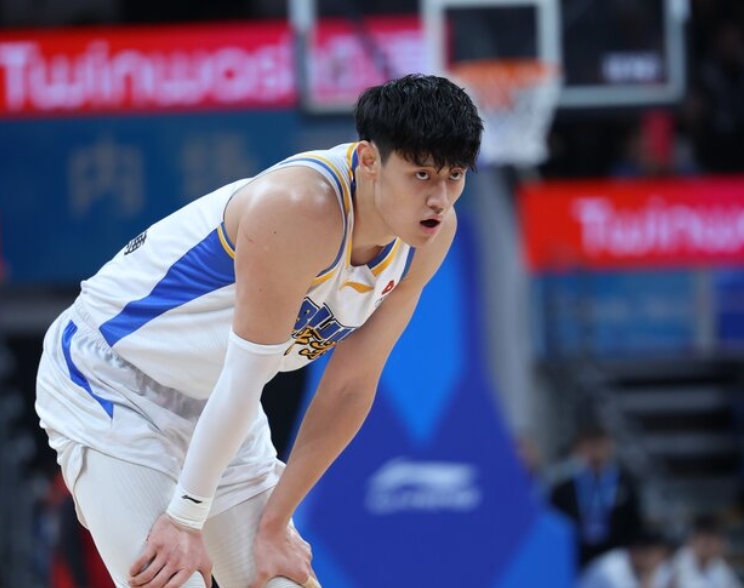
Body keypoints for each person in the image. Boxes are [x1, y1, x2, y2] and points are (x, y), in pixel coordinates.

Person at [35, 74, 484, 588]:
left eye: (454, 176)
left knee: (279, 579)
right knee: (169, 579)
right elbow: (246, 378)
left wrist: (275, 523)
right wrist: (185, 519)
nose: (439, 198)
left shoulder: (430, 236)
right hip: (110, 379)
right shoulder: (300, 207)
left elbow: (350, 386)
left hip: (219, 400)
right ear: (368, 160)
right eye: (421, 174)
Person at [550, 425, 643, 568]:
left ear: (610, 447)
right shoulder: (564, 488)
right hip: (576, 554)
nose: (595, 452)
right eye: (590, 446)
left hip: (615, 554)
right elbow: (557, 521)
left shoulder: (626, 483)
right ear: (579, 449)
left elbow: (634, 521)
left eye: (599, 445)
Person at [667, 515, 743, 588]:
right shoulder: (679, 561)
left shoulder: (719, 565)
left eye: (714, 542)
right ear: (692, 540)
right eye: (705, 543)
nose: (709, 547)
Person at [579, 529, 671, 588]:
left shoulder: (656, 567)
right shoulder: (610, 568)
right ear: (639, 552)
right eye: (657, 556)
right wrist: (648, 577)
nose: (659, 561)